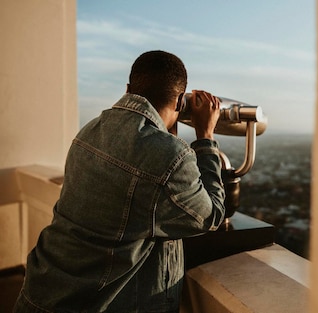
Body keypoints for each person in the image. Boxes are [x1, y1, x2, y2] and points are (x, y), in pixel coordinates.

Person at [14, 50, 226, 312]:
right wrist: (205, 136)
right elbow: (210, 216)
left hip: (40, 291)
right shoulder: (171, 157)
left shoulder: (89, 130)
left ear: (129, 89)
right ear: (181, 100)